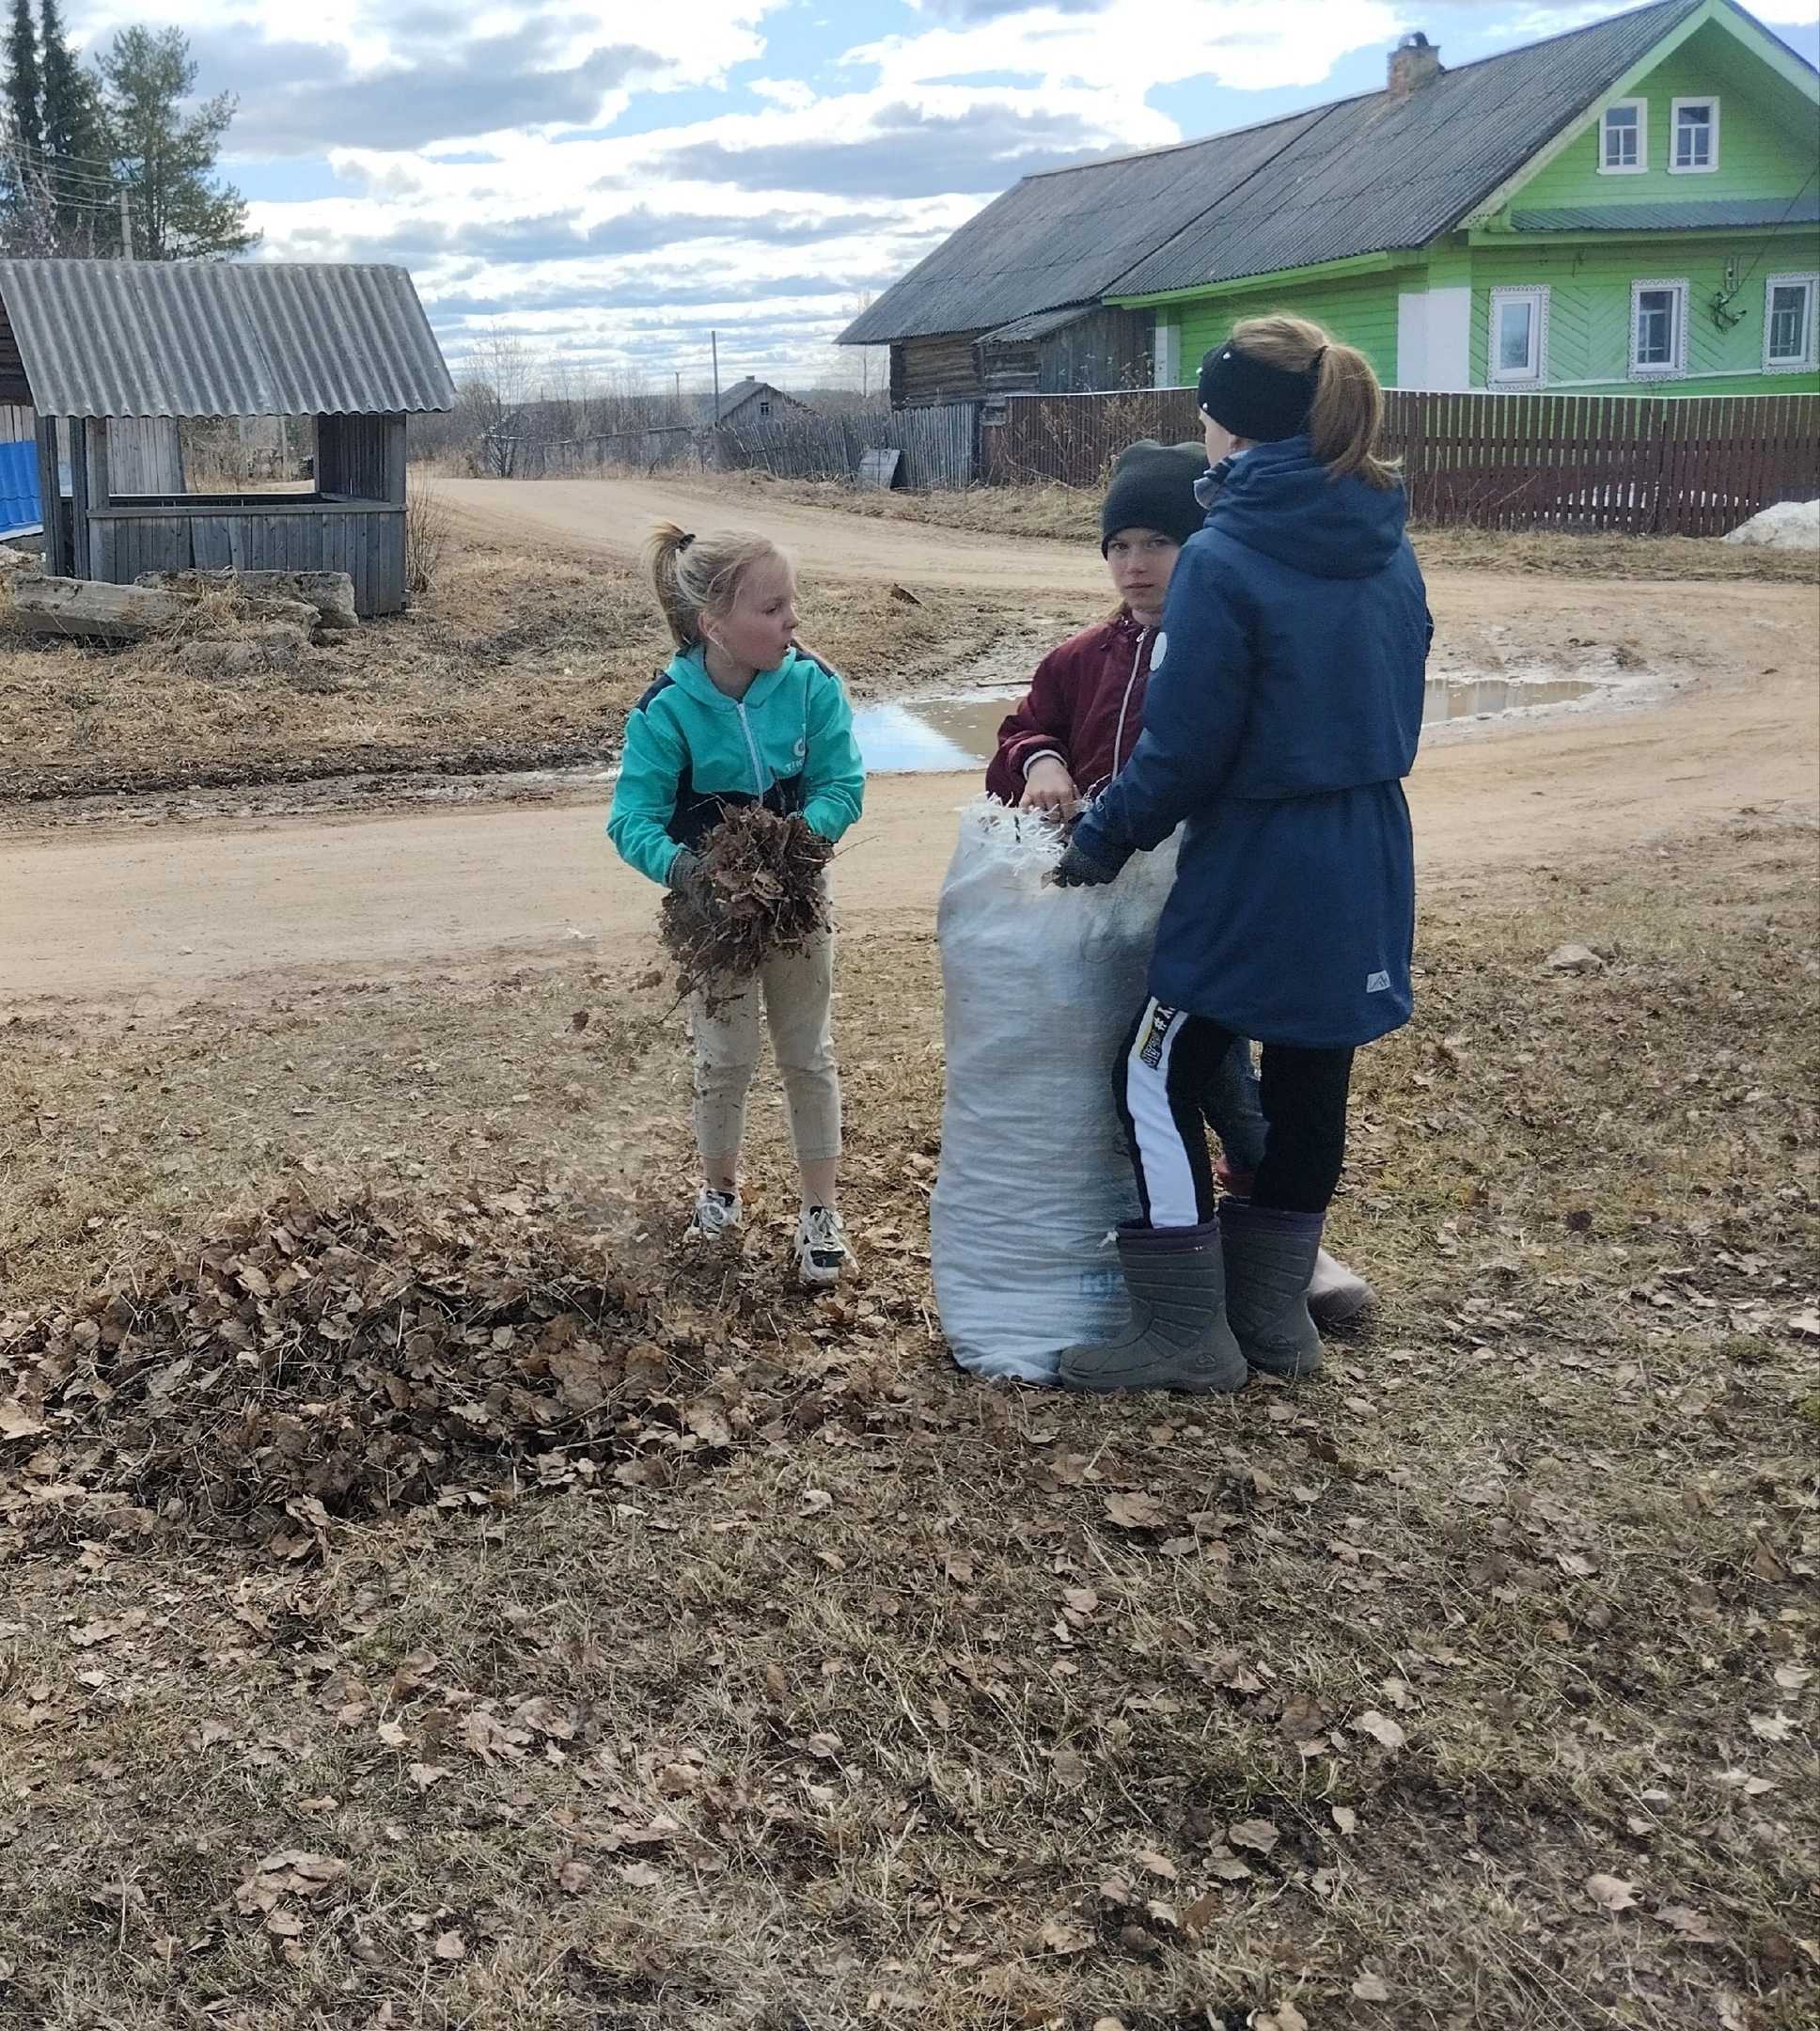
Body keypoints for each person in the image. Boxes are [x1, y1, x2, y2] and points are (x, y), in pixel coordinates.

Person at [1052, 314, 1429, 1393]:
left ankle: (1183, 1333)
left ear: (1228, 428)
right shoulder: (1382, 536)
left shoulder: (1226, 555)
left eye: (1203, 417)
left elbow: (1186, 747)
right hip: (1367, 843)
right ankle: (1275, 1324)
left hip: (1265, 854)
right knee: (1315, 1070)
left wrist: (1102, 835)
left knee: (1153, 1064)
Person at [988, 439, 1374, 1329]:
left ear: (1201, 546)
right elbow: (1020, 730)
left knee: (1226, 1079)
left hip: (1212, 901)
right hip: (1101, 909)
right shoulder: (1083, 658)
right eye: (1117, 545)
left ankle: (1284, 1253)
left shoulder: (1223, 640)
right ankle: (1133, 1240)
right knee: (1124, 1077)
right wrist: (1041, 760)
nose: (1133, 565)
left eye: (1156, 542)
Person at [607, 523, 865, 1288]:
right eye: (775, 608)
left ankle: (820, 1212)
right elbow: (631, 819)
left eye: (793, 604)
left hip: (796, 902)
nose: (794, 622)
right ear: (713, 624)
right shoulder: (666, 710)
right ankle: (719, 1193)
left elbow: (841, 786)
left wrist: (792, 848)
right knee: (723, 1060)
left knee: (806, 1054)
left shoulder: (814, 687)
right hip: (708, 914)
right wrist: (689, 872)